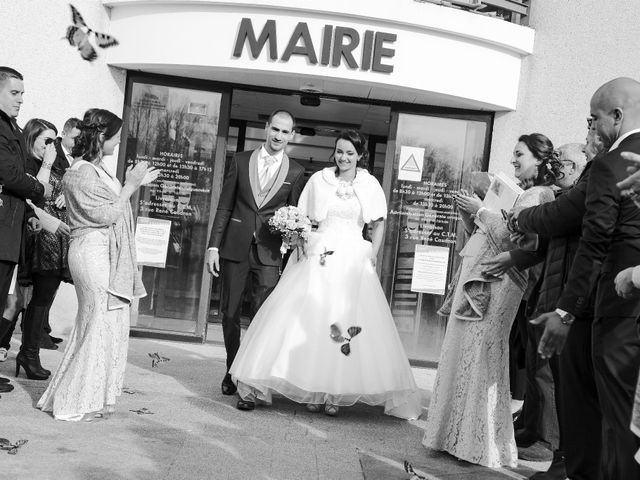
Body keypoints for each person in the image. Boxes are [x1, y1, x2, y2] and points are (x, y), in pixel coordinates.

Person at [229, 129, 421, 418]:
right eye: (339, 151)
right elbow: (304, 217)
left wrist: (373, 252)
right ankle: (295, 388)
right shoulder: (320, 179)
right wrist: (299, 238)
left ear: (360, 156)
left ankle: (334, 392)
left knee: (344, 319)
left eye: (349, 153)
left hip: (353, 256)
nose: (343, 157)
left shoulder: (369, 184)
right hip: (319, 252)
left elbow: (379, 223)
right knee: (306, 318)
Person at [422, 133, 558, 468]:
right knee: (462, 350)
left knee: (482, 354)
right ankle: (451, 434)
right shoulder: (519, 192)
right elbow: (486, 234)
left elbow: (521, 240)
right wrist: (471, 216)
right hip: (480, 273)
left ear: (539, 160)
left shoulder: (541, 195)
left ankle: (477, 442)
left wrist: (481, 209)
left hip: (501, 283)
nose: (513, 160)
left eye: (519, 154)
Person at [530, 77, 640, 480]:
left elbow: (595, 245)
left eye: (595, 119)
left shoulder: (611, 164)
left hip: (619, 310)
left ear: (617, 115)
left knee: (617, 426)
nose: (593, 128)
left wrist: (564, 310)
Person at [37, 108, 159, 421]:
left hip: (101, 252)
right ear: (102, 136)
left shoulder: (94, 168)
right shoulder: (80, 171)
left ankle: (89, 396)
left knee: (99, 325)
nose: (118, 143)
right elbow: (106, 215)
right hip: (90, 252)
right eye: (116, 137)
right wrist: (131, 186)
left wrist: (134, 183)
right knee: (96, 325)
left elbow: (110, 208)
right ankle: (75, 400)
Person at [206, 110, 306, 399]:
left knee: (262, 318)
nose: (279, 136)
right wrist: (213, 246)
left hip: (269, 254)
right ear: (266, 128)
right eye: (275, 129)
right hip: (234, 248)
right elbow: (224, 206)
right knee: (229, 313)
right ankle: (231, 368)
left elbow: (296, 215)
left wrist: (293, 247)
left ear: (292, 135)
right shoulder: (239, 160)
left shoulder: (296, 171)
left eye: (285, 132)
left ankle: (249, 375)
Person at [6, 119, 72, 381]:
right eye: (46, 140)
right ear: (31, 138)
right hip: (29, 239)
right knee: (13, 303)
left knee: (40, 300)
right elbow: (37, 196)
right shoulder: (26, 164)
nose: (51, 146)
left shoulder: (56, 164)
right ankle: (19, 351)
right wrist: (46, 164)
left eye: (54, 141)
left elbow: (65, 185)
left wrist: (66, 191)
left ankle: (29, 353)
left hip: (50, 242)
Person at [0, 67, 49, 397]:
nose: (21, 99)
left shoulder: (10, 128)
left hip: (9, 232)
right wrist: (38, 188)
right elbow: (11, 174)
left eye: (22, 93)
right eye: (14, 92)